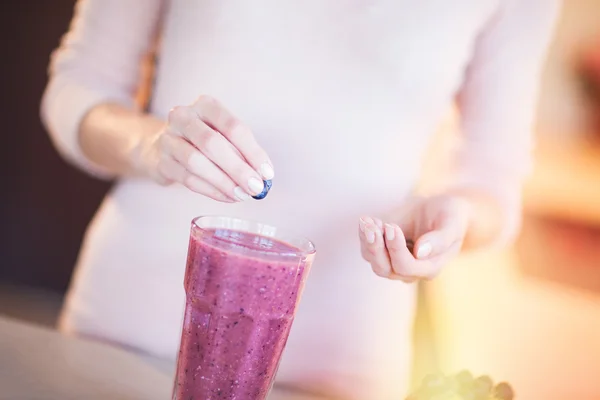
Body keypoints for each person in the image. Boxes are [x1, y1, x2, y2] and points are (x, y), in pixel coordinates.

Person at [41, 1, 560, 398]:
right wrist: (150, 145)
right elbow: (78, 86)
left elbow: (494, 181)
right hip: (130, 327)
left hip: (343, 363)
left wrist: (456, 219)